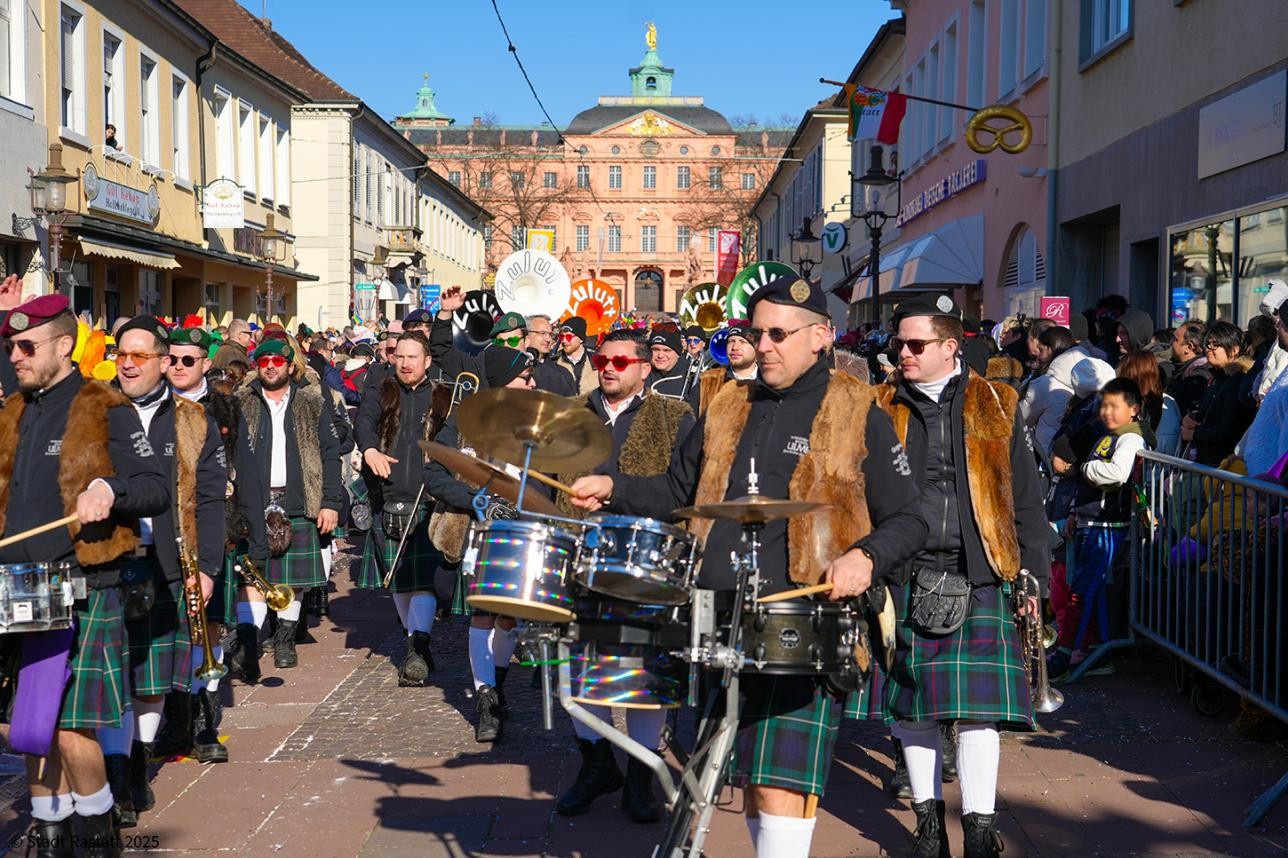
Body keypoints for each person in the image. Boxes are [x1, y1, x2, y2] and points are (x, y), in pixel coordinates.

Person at [571, 276, 927, 858]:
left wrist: (865, 556)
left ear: (821, 337)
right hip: (717, 616)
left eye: (778, 334)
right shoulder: (727, 404)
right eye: (757, 333)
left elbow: (909, 519)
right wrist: (613, 487)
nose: (763, 346)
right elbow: (677, 491)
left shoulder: (858, 409)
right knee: (745, 784)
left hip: (804, 624)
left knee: (780, 785)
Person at [876, 295, 1049, 858]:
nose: (903, 352)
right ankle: (928, 826)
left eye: (915, 344)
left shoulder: (996, 402)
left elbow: (1024, 495)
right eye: (898, 343)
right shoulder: (878, 406)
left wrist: (1035, 576)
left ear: (950, 346)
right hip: (904, 570)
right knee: (913, 709)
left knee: (979, 715)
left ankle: (979, 829)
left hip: (980, 571)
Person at [0, 294, 170, 856]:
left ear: (64, 346)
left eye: (27, 347)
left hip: (82, 584)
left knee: (72, 725)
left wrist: (108, 488)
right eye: (11, 347)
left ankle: (97, 833)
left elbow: (155, 487)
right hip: (16, 584)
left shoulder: (105, 405)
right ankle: (51, 831)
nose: (16, 356)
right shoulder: (13, 409)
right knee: (28, 723)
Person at [553, 330, 695, 823]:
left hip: (644, 557)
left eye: (619, 361)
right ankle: (596, 764)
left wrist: (614, 491)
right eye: (601, 361)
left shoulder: (674, 416)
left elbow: (681, 489)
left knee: (644, 674)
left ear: (644, 368)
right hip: (578, 552)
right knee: (577, 668)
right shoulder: (571, 413)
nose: (608, 369)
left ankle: (640, 774)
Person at [100, 317, 228, 826]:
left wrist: (209, 568)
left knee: (150, 682)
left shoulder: (193, 421)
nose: (128, 364)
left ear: (162, 361)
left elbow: (211, 499)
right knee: (111, 679)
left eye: (140, 355)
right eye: (121, 354)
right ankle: (116, 774)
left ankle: (137, 761)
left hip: (171, 564)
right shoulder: (95, 411)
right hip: (107, 561)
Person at [424, 347, 538, 743]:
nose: (532, 384)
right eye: (525, 378)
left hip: (523, 530)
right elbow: (434, 475)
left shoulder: (541, 423)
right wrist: (474, 499)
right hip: (479, 532)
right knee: (484, 616)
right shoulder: (464, 421)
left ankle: (496, 684)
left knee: (509, 616)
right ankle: (486, 699)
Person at [227, 338, 343, 680]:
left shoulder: (312, 402)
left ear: (290, 366)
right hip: (251, 500)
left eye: (277, 361)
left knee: (294, 580)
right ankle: (248, 641)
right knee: (251, 574)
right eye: (264, 361)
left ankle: (284, 640)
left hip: (298, 497)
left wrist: (330, 503)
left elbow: (330, 454)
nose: (270, 366)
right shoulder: (240, 402)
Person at [354, 331, 451, 686]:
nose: (406, 363)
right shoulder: (380, 390)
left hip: (429, 497)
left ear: (428, 361)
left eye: (413, 357)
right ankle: (416, 645)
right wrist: (370, 450)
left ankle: (417, 646)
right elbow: (363, 422)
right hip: (387, 494)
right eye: (400, 356)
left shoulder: (444, 396)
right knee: (398, 581)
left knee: (423, 581)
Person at [159, 326, 237, 764]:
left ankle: (205, 720)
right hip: (165, 533)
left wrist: (238, 527)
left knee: (208, 627)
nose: (178, 367)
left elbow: (239, 469)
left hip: (211, 529)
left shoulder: (225, 407)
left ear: (206, 363)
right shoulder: (149, 403)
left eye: (188, 360)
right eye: (172, 358)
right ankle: (176, 723)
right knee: (169, 631)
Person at [1047, 379, 1151, 680]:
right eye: (1104, 405)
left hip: (1106, 526)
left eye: (1114, 406)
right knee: (1089, 591)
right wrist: (1073, 512)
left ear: (1133, 409)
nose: (1107, 412)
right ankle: (1096, 649)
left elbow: (1117, 474)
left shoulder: (1130, 439)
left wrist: (1083, 469)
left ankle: (1066, 653)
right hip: (1088, 520)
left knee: (1081, 592)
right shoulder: (1107, 435)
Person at [1180, 321, 1255, 466]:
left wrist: (1194, 434)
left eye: (1215, 345)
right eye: (1207, 344)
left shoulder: (1237, 380)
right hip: (1207, 462)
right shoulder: (1217, 377)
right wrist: (1191, 419)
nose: (1208, 349)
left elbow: (1228, 430)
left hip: (1223, 465)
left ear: (1234, 350)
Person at [1019, 326, 1078, 455]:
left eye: (1041, 350)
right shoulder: (1084, 375)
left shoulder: (1044, 384)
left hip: (1043, 454)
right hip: (1071, 453)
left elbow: (1021, 419)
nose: (1038, 355)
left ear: (1052, 349)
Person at [696, 320, 757, 417]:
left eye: (743, 341)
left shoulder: (771, 384)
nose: (734, 347)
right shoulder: (707, 380)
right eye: (731, 341)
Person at [647, 325, 699, 409]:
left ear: (678, 353)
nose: (660, 355)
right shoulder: (641, 373)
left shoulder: (691, 377)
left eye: (667, 350)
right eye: (655, 349)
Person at [1166, 321, 1211, 419]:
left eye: (1176, 339)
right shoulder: (1183, 370)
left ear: (1189, 347)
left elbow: (1188, 414)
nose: (1171, 342)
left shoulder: (1198, 376)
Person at [525, 313, 576, 396]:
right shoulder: (516, 369)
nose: (548, 339)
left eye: (550, 334)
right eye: (542, 333)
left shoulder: (562, 375)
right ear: (527, 335)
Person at [555, 317, 598, 397]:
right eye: (561, 337)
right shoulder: (554, 361)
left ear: (581, 339)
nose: (564, 341)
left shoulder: (596, 361)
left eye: (568, 337)